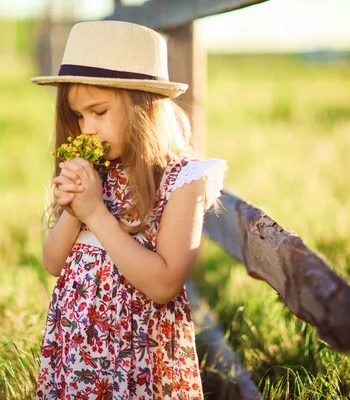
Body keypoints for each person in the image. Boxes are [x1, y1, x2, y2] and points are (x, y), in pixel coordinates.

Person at [31, 20, 227, 400]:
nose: (86, 128)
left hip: (138, 364)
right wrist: (75, 210)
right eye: (79, 116)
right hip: (76, 359)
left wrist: (97, 215)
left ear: (143, 105)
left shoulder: (181, 180)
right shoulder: (98, 171)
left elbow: (164, 284)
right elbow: (53, 263)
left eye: (99, 112)